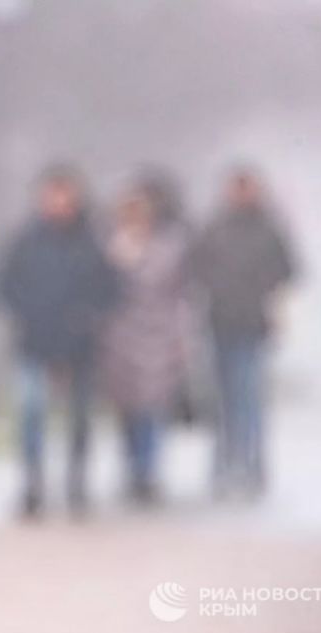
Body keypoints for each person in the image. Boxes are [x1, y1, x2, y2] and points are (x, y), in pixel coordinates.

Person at [0, 165, 119, 515]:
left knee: (80, 417)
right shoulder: (24, 241)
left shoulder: (92, 242)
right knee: (31, 411)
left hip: (80, 345)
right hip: (34, 340)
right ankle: (32, 482)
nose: (59, 203)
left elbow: (110, 289)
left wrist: (89, 317)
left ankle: (77, 482)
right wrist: (25, 313)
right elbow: (2, 285)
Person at [192, 168, 296, 499]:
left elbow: (289, 269)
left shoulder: (269, 229)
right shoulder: (215, 228)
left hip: (253, 326)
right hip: (219, 324)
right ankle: (222, 468)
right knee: (222, 402)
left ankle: (252, 468)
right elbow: (196, 268)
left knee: (249, 398)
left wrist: (263, 289)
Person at [100, 173, 192, 504]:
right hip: (120, 339)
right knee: (127, 411)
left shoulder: (170, 248)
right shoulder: (109, 249)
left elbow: (180, 295)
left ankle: (147, 471)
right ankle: (131, 468)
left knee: (153, 408)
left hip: (158, 336)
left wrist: (182, 336)